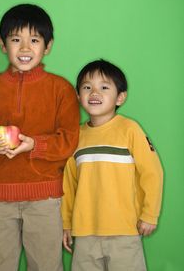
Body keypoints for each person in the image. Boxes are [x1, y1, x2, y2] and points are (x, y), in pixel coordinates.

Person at [0, 3, 80, 271]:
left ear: (47, 46)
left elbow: (69, 139)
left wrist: (34, 145)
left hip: (45, 198)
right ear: (3, 45)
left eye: (34, 40)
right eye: (16, 40)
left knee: (46, 265)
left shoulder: (61, 90)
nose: (25, 48)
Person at [61, 59, 163, 271]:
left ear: (120, 97)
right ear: (79, 96)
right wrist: (66, 224)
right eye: (87, 87)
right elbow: (68, 185)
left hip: (124, 231)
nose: (94, 93)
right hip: (85, 233)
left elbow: (152, 172)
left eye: (104, 87)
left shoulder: (130, 129)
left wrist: (149, 214)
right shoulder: (75, 136)